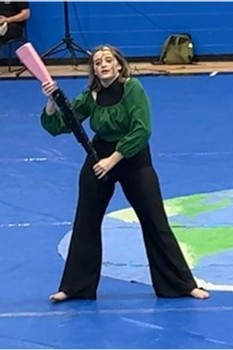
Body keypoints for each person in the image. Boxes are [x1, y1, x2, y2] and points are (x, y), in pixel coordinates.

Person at [40, 45, 210, 302]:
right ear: (94, 70)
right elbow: (61, 125)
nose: (103, 65)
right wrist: (51, 102)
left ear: (119, 65)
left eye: (108, 60)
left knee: (155, 221)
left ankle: (181, 285)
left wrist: (113, 160)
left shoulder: (133, 89)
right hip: (99, 157)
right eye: (98, 62)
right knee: (86, 221)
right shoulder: (90, 96)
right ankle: (74, 288)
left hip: (133, 159)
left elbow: (142, 130)